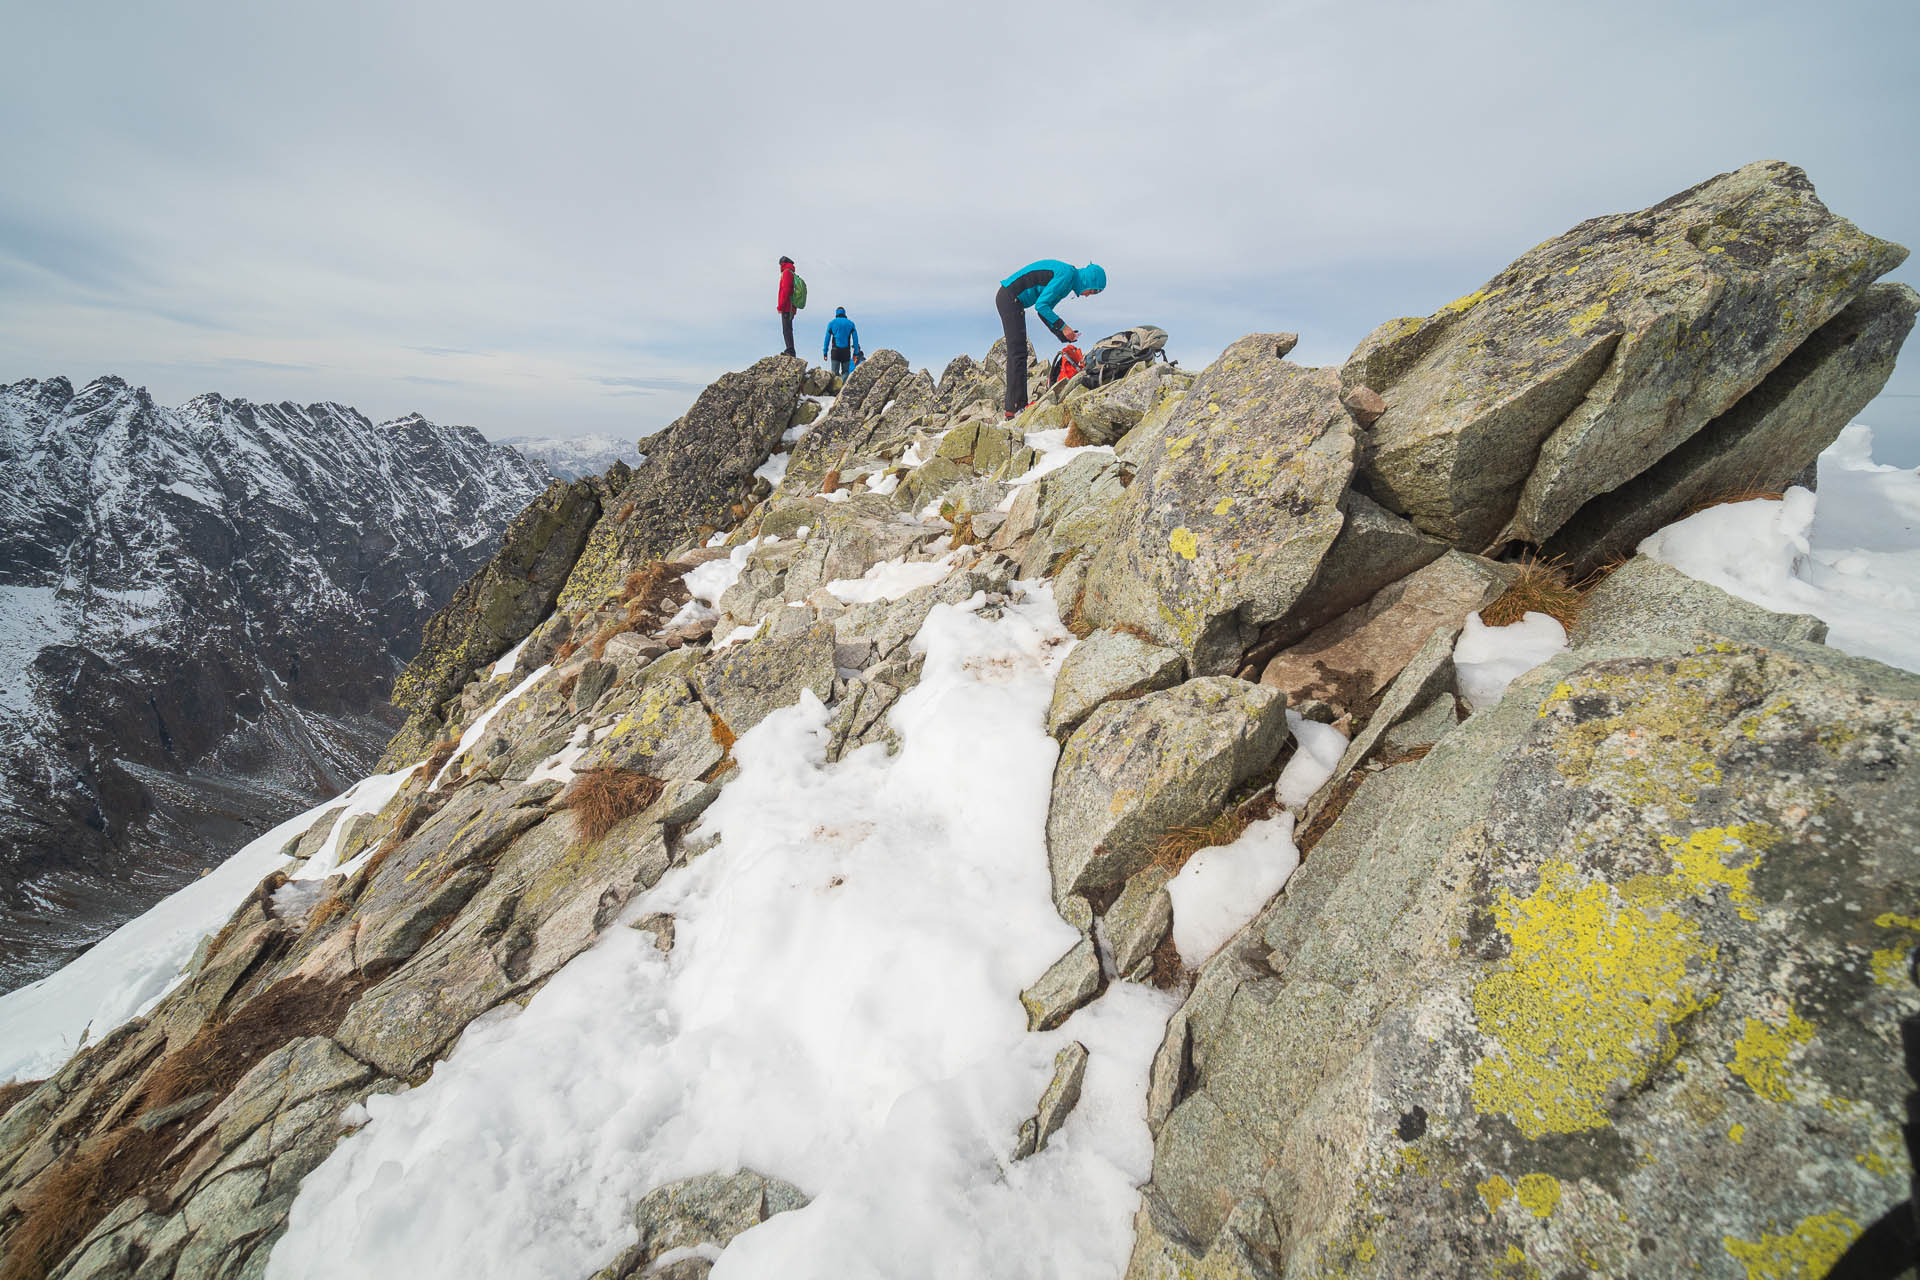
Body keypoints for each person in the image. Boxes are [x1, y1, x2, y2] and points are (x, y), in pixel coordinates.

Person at [995, 260, 1105, 419]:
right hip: (1009, 297)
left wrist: (1063, 334)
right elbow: (1041, 306)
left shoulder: (1068, 281)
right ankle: (1014, 409)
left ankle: (1016, 407)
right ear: (1089, 279)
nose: (1089, 295)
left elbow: (1044, 312)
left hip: (1013, 300)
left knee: (1019, 353)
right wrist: (1063, 327)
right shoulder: (1067, 276)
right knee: (1018, 353)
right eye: (1094, 290)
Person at [823, 307, 861, 382]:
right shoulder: (851, 324)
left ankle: (835, 390)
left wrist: (825, 352)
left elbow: (827, 339)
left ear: (836, 313)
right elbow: (855, 339)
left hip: (835, 352)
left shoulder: (831, 323)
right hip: (846, 352)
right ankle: (841, 386)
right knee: (846, 372)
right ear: (844, 313)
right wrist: (856, 353)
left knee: (834, 373)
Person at [776, 256, 799, 356]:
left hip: (786, 306)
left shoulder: (786, 273)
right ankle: (790, 349)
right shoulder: (791, 273)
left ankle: (790, 350)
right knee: (788, 329)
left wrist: (780, 306)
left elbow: (785, 291)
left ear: (783, 263)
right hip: (791, 306)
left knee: (786, 329)